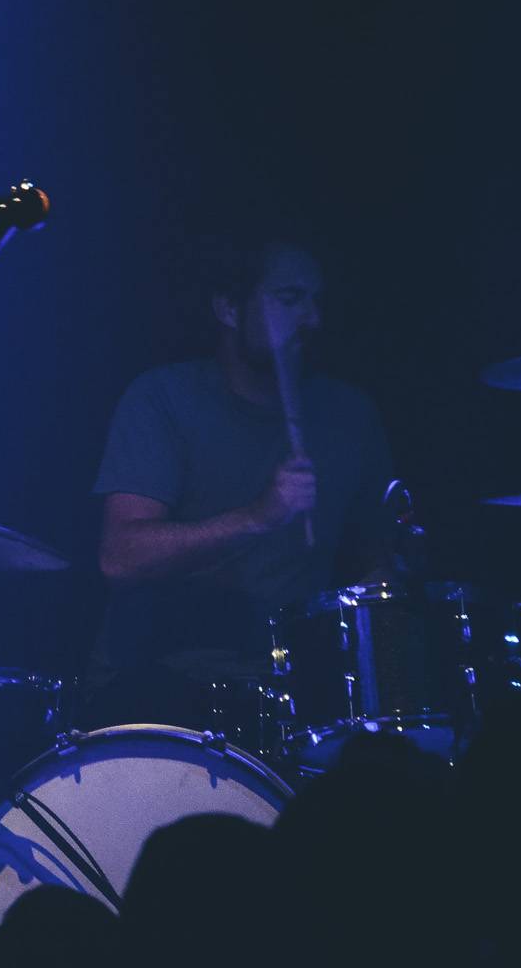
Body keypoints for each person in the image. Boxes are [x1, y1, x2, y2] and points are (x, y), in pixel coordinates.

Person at [87, 230, 397, 732]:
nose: (311, 319)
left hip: (298, 698)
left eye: (316, 302)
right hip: (159, 692)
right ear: (229, 309)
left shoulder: (349, 416)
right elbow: (121, 557)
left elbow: (374, 566)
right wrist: (259, 516)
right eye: (290, 299)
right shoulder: (163, 399)